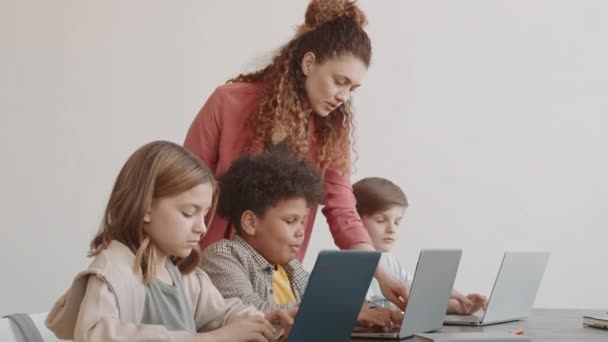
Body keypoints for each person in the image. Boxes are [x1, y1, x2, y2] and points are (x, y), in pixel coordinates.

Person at [184, 0, 408, 310]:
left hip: (279, 278)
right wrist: (175, 273)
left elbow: (342, 210)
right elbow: (184, 187)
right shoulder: (228, 102)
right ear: (309, 63)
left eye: (352, 88)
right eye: (339, 81)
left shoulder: (331, 131)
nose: (344, 96)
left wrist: (380, 273)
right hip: (213, 271)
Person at [45, 141, 291, 342]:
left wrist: (267, 322)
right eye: (188, 213)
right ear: (146, 209)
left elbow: (223, 313)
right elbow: (95, 336)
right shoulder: (113, 271)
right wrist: (212, 339)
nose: (202, 227)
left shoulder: (182, 276)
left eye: (204, 215)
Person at [201, 152, 403, 332]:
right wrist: (344, 311)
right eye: (291, 221)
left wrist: (373, 312)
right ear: (251, 222)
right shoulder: (223, 255)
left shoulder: (290, 266)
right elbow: (255, 313)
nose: (300, 232)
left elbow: (325, 300)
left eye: (303, 222)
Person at [353, 177, 488, 314]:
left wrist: (461, 306)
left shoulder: (391, 263)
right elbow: (352, 310)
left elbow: (418, 298)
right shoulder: (345, 269)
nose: (392, 229)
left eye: (397, 222)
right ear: (354, 222)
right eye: (381, 220)